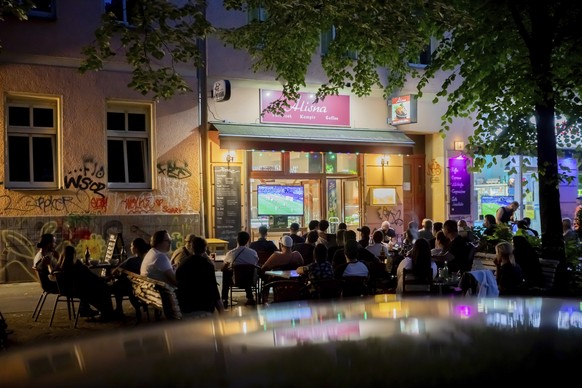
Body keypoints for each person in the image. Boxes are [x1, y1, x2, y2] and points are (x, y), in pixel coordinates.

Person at [56, 245, 116, 321]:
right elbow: (91, 276)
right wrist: (104, 279)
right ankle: (106, 312)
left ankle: (99, 311)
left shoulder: (60, 265)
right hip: (80, 290)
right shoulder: (76, 265)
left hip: (68, 290)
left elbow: (52, 272)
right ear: (74, 254)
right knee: (103, 287)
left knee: (100, 286)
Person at [175, 237, 224, 317]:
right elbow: (214, 290)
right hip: (204, 306)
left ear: (192, 248)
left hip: (186, 306)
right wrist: (222, 312)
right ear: (205, 249)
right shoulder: (207, 265)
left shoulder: (183, 264)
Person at [110, 237, 150, 317]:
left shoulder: (131, 260)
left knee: (116, 285)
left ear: (136, 248)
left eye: (132, 246)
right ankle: (119, 309)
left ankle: (118, 309)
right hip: (141, 287)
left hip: (129, 289)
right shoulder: (147, 260)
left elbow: (114, 271)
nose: (130, 248)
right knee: (121, 283)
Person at [221, 231, 259, 307]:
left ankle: (224, 299)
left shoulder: (231, 253)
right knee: (248, 271)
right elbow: (256, 263)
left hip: (236, 280)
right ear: (248, 241)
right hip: (250, 280)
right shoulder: (253, 253)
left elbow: (223, 267)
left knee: (226, 273)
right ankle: (250, 297)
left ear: (237, 240)